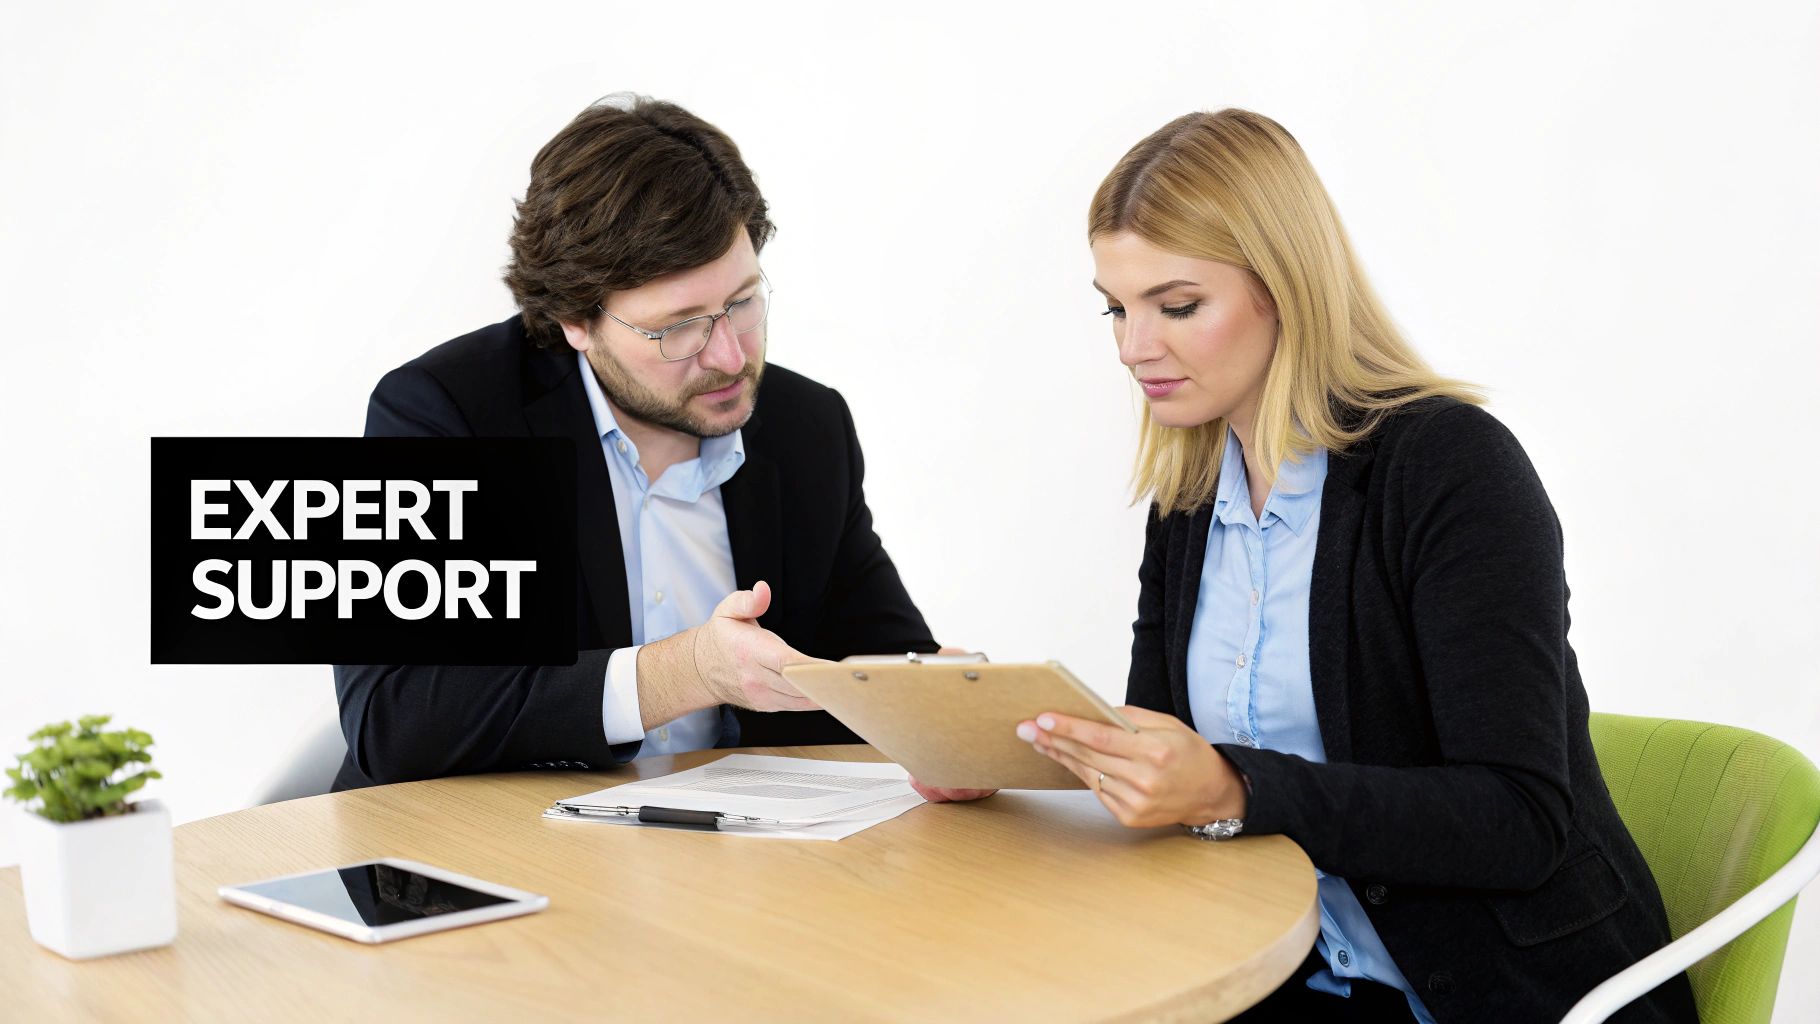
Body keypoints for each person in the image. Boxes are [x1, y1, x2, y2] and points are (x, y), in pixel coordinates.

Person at [1012, 110, 1698, 1022]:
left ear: (1285, 288)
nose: (1134, 347)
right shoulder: (1188, 499)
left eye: (1177, 306)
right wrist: (1002, 753)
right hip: (1285, 977)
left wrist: (1239, 788)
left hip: (1504, 996)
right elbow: (1165, 758)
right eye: (1116, 307)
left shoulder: (1452, 468)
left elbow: (1519, 819)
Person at [332, 95, 977, 798]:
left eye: (742, 303)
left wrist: (943, 722)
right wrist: (682, 673)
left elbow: (875, 663)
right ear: (574, 321)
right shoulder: (446, 416)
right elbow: (392, 719)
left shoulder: (805, 426)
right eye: (679, 328)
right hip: (493, 852)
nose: (730, 356)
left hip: (732, 868)